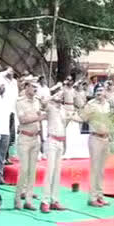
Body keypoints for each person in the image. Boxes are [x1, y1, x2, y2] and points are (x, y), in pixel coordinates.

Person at [15, 79, 44, 210]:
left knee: (33, 171)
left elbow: (40, 121)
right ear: (26, 87)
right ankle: (17, 199)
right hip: (25, 138)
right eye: (32, 87)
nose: (35, 89)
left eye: (36, 87)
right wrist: (38, 118)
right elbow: (22, 119)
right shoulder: (20, 102)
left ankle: (28, 199)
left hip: (35, 137)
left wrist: (42, 138)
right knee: (24, 169)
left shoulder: (37, 101)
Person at [81, 83, 111, 207]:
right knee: (95, 168)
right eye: (97, 90)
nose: (99, 92)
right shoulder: (91, 104)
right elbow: (83, 117)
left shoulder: (107, 104)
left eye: (101, 90)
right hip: (95, 137)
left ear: (105, 92)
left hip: (105, 138)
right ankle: (92, 197)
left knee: (102, 169)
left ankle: (100, 195)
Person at [41, 84, 67, 213]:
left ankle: (54, 200)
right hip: (51, 140)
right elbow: (43, 103)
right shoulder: (50, 107)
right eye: (59, 94)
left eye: (62, 94)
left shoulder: (63, 109)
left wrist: (65, 142)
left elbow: (64, 126)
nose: (60, 96)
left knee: (57, 172)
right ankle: (44, 201)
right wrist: (53, 94)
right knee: (50, 171)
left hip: (60, 141)